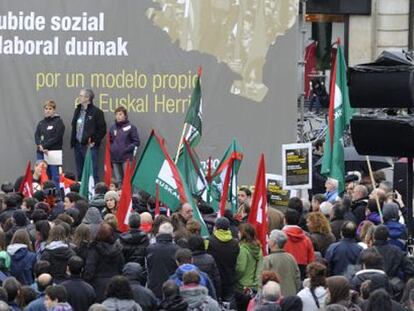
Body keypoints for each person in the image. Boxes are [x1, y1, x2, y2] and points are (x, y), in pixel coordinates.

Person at [70, 88, 106, 182]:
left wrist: (93, 140)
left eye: (81, 96)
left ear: (87, 98)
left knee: (92, 172)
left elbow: (102, 130)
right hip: (78, 144)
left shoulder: (96, 112)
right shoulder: (77, 110)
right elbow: (74, 126)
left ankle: (95, 194)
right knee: (80, 171)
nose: (79, 97)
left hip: (89, 146)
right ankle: (81, 194)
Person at [83, 223, 125, 302]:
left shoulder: (94, 250)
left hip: (97, 286)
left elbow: (89, 270)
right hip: (115, 285)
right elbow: (121, 268)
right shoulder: (118, 250)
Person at [207, 217, 240, 304]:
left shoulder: (209, 241)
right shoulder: (235, 243)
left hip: (215, 279)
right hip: (230, 279)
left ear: (216, 227)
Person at [34, 100, 65, 190]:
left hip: (53, 152)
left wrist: (45, 146)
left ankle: (57, 197)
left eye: (50, 109)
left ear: (54, 110)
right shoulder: (41, 123)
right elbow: (36, 136)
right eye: (46, 109)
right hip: (41, 153)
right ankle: (42, 195)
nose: (47, 110)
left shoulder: (59, 122)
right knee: (42, 175)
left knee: (55, 176)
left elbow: (57, 137)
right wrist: (40, 145)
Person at [146, 222, 181, 299]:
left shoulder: (150, 249)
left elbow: (147, 268)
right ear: (172, 235)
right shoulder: (177, 249)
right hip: (172, 288)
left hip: (154, 288)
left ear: (159, 233)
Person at [263, 230, 300, 296]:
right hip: (291, 296)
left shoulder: (267, 260)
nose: (267, 241)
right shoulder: (291, 258)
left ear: (274, 242)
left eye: (269, 238)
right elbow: (297, 279)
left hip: (275, 297)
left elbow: (263, 281)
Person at [235, 223, 263, 311]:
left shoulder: (243, 249)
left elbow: (240, 269)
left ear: (243, 234)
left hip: (242, 286)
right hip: (255, 285)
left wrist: (234, 278)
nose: (238, 234)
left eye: (239, 232)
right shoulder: (259, 248)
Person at [109, 106, 140, 184]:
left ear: (125, 116)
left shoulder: (131, 127)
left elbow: (136, 142)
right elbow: (110, 141)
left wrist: (126, 149)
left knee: (127, 180)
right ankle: (119, 195)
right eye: (116, 114)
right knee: (118, 181)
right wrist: (112, 149)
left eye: (120, 114)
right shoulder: (112, 128)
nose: (118, 116)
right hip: (115, 158)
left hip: (126, 158)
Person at [282, 209, 315, 279]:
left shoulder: (280, 237)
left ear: (285, 220)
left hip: (284, 271)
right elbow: (311, 261)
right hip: (302, 273)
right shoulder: (307, 239)